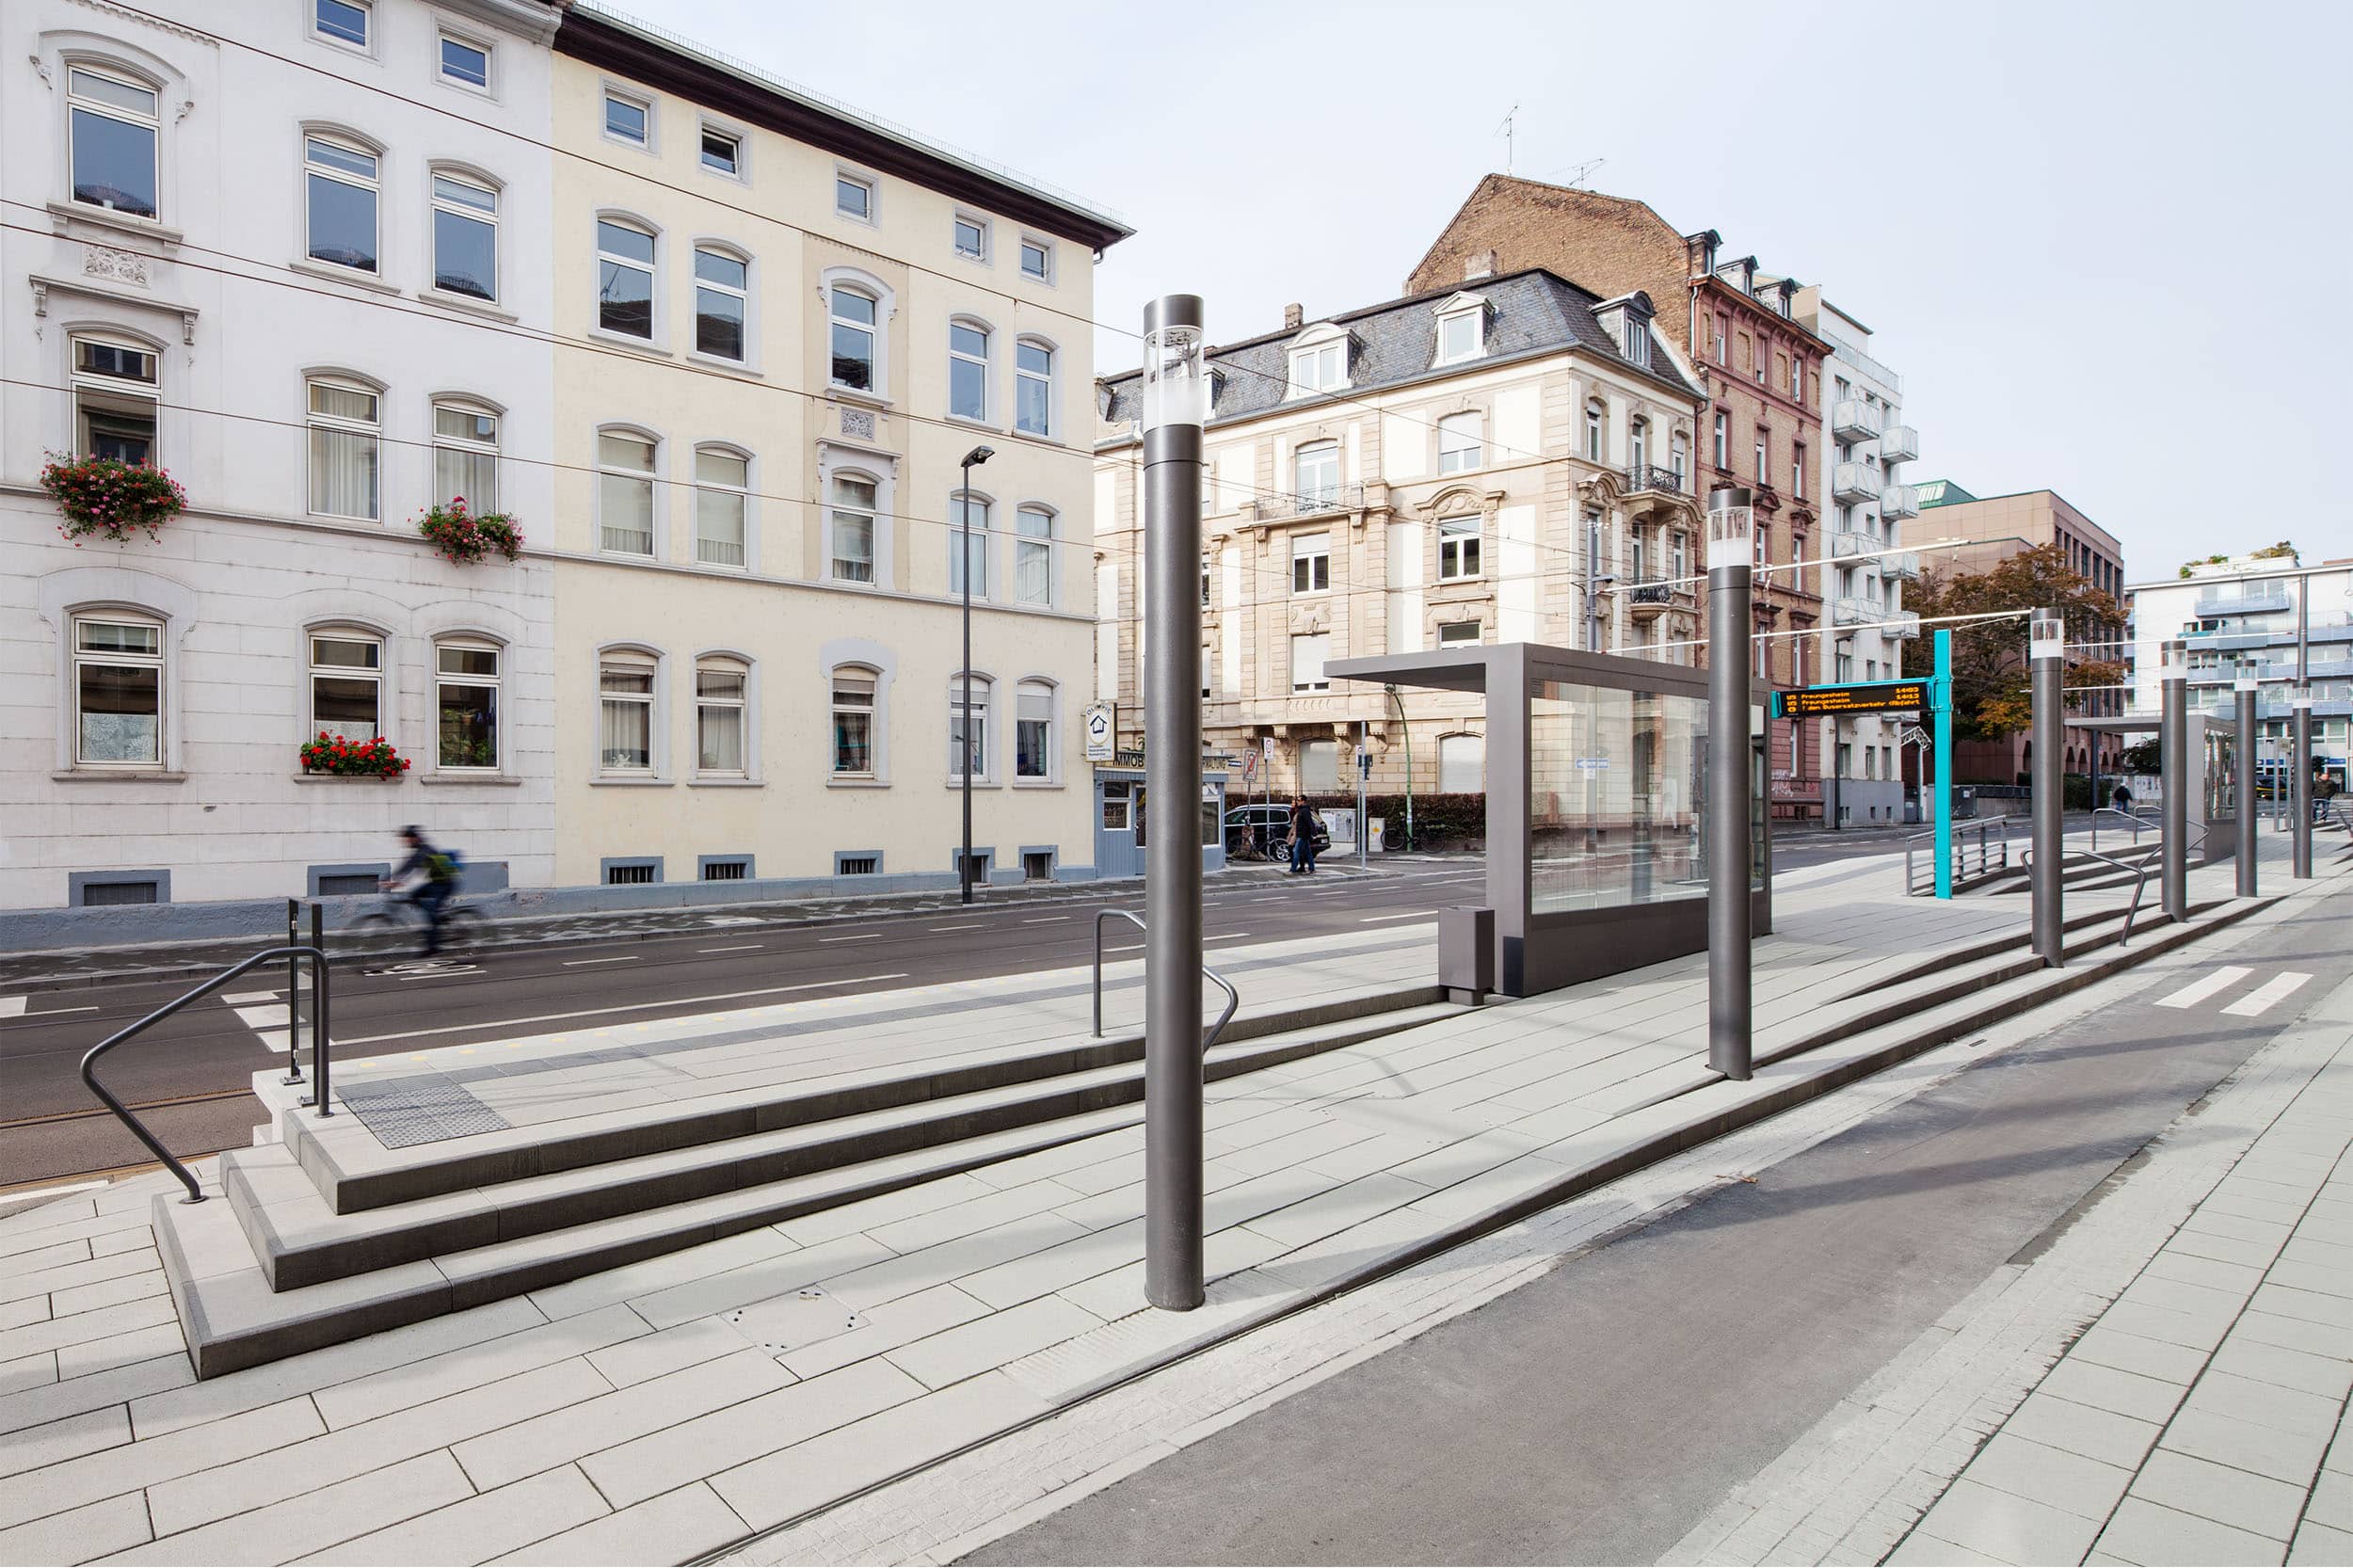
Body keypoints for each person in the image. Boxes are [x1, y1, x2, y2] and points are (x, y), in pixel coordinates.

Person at [384, 824, 458, 960]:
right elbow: (408, 865)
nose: (404, 842)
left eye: (407, 839)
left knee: (431, 913)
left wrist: (397, 880)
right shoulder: (419, 850)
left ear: (414, 838)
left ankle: (433, 947)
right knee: (413, 895)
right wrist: (392, 878)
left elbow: (411, 866)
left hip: (445, 884)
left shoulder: (424, 850)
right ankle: (439, 915)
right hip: (435, 883)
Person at [1288, 794, 1323, 875]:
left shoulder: (1305, 811)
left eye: (1299, 800)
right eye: (1297, 800)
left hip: (1303, 835)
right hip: (1302, 835)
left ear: (1303, 801)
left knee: (1296, 851)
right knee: (1308, 853)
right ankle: (1312, 869)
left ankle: (1292, 869)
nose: (1297, 802)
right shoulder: (1301, 810)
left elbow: (1310, 822)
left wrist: (1314, 833)